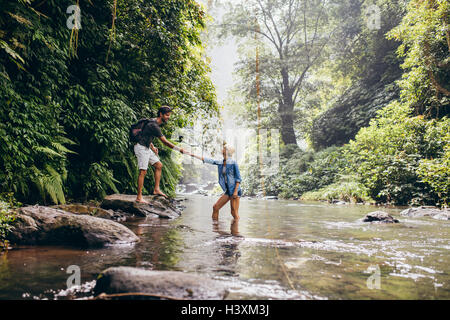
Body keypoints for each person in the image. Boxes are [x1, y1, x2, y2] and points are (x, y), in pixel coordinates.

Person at [134, 106, 185, 203]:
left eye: (169, 115)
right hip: (141, 148)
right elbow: (165, 142)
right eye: (166, 115)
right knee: (143, 172)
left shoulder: (154, 122)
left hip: (146, 148)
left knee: (159, 165)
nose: (168, 117)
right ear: (161, 114)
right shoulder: (154, 125)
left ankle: (156, 189)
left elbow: (146, 134)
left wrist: (152, 147)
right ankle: (139, 197)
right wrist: (179, 149)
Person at [188, 143, 242, 220]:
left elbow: (238, 178)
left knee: (234, 213)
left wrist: (236, 191)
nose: (222, 149)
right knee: (215, 207)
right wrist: (193, 155)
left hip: (235, 190)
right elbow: (209, 160)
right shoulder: (221, 162)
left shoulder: (233, 163)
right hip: (228, 191)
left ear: (227, 151)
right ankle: (215, 228)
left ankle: (236, 231)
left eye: (224, 148)